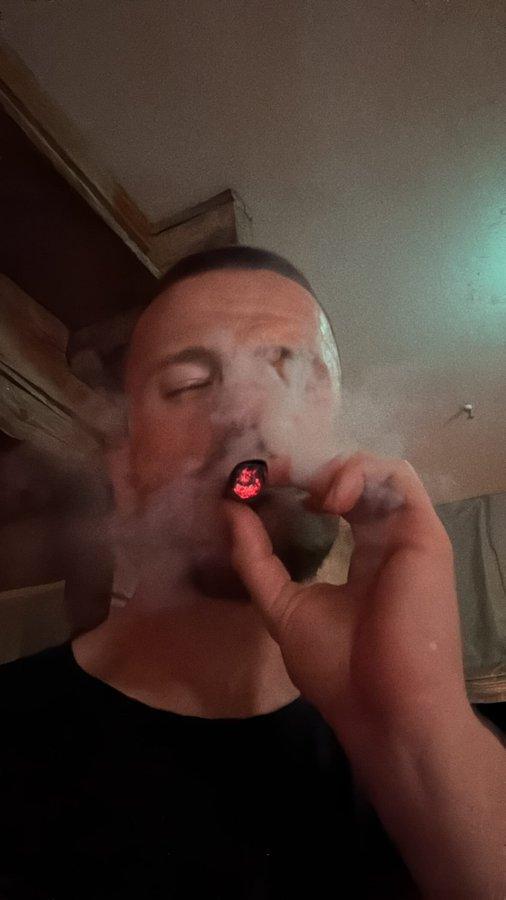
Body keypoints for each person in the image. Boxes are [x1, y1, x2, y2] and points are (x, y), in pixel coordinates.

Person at [0, 246, 504, 900]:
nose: (249, 412)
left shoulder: (449, 745)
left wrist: (417, 732)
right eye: (188, 385)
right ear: (124, 470)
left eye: (291, 374)